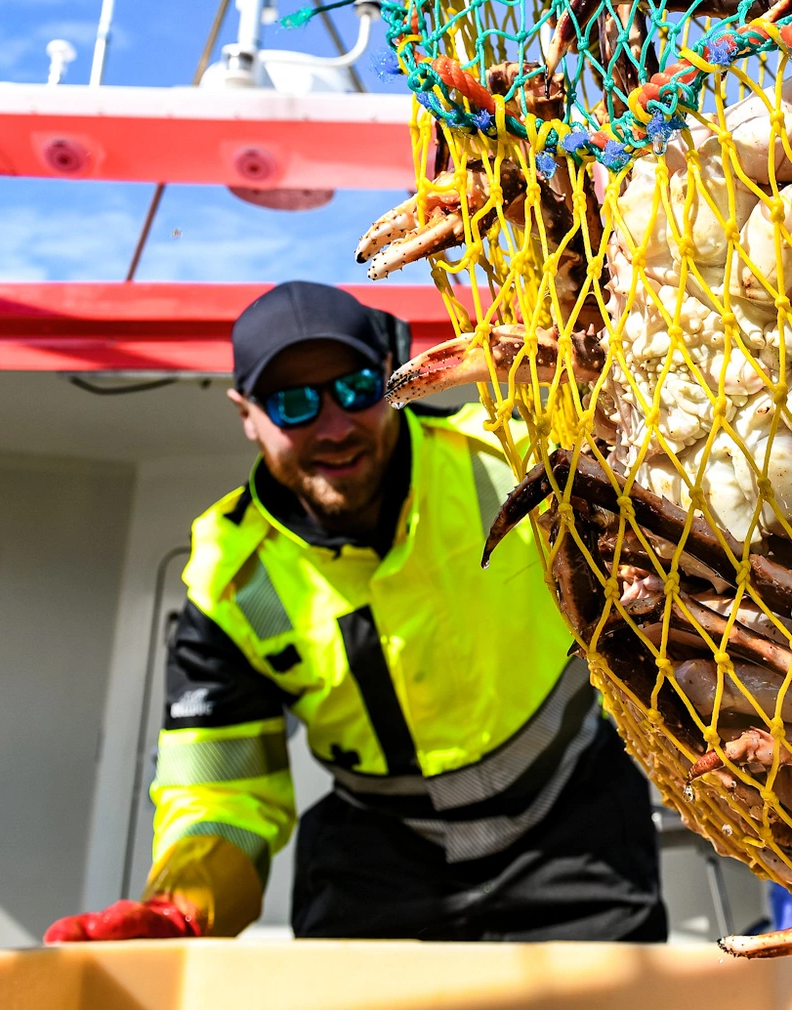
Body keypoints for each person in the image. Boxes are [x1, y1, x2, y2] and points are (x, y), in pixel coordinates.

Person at [47, 281, 664, 943]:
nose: (335, 427)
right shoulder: (228, 579)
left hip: (578, 830)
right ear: (245, 414)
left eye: (356, 389)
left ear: (393, 382)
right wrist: (182, 910)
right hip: (379, 864)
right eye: (293, 403)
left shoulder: (514, 459)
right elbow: (224, 795)